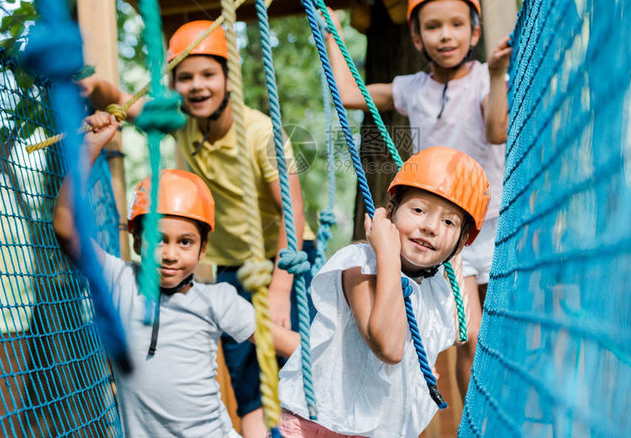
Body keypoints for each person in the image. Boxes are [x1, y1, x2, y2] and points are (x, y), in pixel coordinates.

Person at [79, 21, 316, 438]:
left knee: (298, 371)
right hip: (233, 266)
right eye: (185, 76)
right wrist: (95, 85)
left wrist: (280, 289)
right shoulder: (182, 122)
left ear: (229, 77)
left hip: (286, 259)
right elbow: (122, 102)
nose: (197, 85)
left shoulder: (261, 133)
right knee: (250, 386)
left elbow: (292, 209)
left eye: (208, 74)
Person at [52, 112, 299, 437]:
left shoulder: (217, 300)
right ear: (136, 238)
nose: (170, 253)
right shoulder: (119, 280)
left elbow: (289, 345)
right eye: (157, 239)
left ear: (202, 247)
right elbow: (66, 225)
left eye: (185, 242)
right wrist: (91, 147)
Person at [327, 0, 510, 397]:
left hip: (498, 225)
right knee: (471, 338)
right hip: (453, 235)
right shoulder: (414, 88)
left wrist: (499, 74)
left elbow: (497, 130)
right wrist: (332, 33)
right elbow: (347, 92)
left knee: (506, 336)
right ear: (416, 37)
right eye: (433, 27)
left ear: (474, 30)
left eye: (456, 25)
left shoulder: (486, 78)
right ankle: (474, 425)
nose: (445, 36)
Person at [277, 146, 490, 437]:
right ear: (389, 214)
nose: (430, 227)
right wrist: (387, 253)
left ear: (463, 240)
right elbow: (388, 347)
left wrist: (456, 259)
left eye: (448, 222)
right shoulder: (361, 264)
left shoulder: (436, 290)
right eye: (418, 210)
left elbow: (454, 332)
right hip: (318, 427)